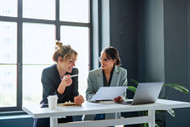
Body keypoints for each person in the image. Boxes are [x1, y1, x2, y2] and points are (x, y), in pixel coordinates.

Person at [33, 41, 84, 127]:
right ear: (60, 59)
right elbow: (51, 100)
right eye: (71, 61)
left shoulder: (74, 72)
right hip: (47, 116)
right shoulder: (47, 72)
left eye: (74, 61)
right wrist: (62, 85)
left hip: (65, 117)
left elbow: (73, 95)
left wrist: (77, 99)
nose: (74, 64)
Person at [84, 46, 128, 120]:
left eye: (105, 59)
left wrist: (121, 98)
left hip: (112, 114)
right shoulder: (92, 74)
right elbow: (88, 95)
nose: (102, 62)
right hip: (94, 114)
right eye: (101, 59)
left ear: (114, 60)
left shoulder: (122, 73)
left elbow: (123, 93)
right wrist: (95, 97)